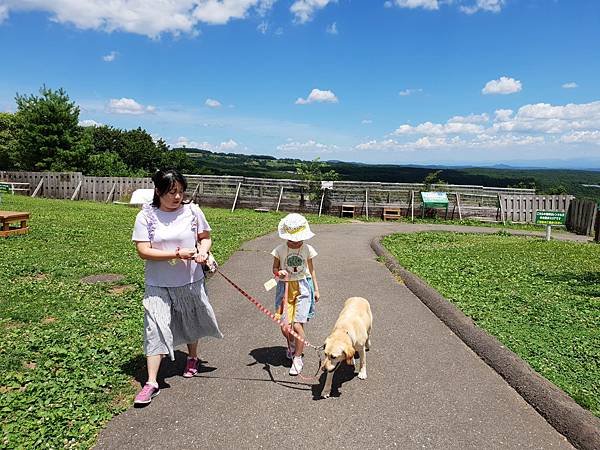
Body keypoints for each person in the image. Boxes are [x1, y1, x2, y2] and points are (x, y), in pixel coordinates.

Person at [131, 169, 223, 405]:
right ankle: (151, 382)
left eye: (181, 192)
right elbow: (143, 250)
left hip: (190, 280)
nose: (177, 197)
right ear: (158, 191)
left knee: (191, 320)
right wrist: (176, 253)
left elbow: (205, 236)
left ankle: (192, 358)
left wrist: (202, 251)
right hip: (158, 283)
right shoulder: (146, 216)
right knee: (154, 327)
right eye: (172, 192)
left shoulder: (193, 211)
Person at [271, 213, 320, 376]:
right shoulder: (279, 250)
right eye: (293, 238)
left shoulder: (307, 249)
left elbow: (311, 270)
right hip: (284, 288)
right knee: (285, 327)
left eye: (299, 238)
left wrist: (316, 289)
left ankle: (298, 357)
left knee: (298, 324)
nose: (297, 241)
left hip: (304, 287)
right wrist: (279, 273)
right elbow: (274, 271)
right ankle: (292, 345)